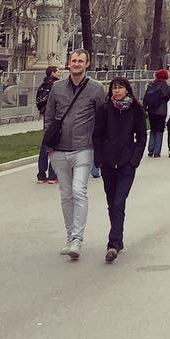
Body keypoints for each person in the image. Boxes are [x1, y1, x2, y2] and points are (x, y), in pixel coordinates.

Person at [43, 48, 105, 260]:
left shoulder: (96, 89)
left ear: (87, 64)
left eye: (81, 61)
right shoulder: (57, 88)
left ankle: (78, 238)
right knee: (66, 195)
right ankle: (70, 237)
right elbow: (49, 117)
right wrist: (48, 146)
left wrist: (98, 144)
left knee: (79, 191)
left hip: (83, 149)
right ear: (69, 64)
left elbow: (102, 118)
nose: (76, 64)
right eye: (74, 60)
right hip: (59, 150)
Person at [92, 76, 146, 262]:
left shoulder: (136, 109)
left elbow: (141, 137)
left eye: (120, 87)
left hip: (126, 164)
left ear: (127, 90)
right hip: (108, 163)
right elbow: (97, 136)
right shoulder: (104, 109)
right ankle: (119, 238)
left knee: (119, 202)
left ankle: (113, 243)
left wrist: (134, 160)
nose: (117, 91)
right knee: (111, 203)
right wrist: (99, 158)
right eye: (114, 88)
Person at [35, 65, 60, 184]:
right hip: (56, 117)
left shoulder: (42, 86)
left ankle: (41, 174)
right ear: (52, 73)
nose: (60, 73)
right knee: (55, 145)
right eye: (58, 71)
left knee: (45, 144)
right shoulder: (57, 85)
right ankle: (52, 175)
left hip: (46, 117)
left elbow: (38, 101)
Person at [143, 69, 170, 157]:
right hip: (161, 112)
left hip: (151, 111)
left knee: (153, 130)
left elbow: (145, 98)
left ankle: (150, 150)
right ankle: (157, 151)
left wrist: (144, 108)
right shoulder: (165, 87)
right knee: (159, 131)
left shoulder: (151, 85)